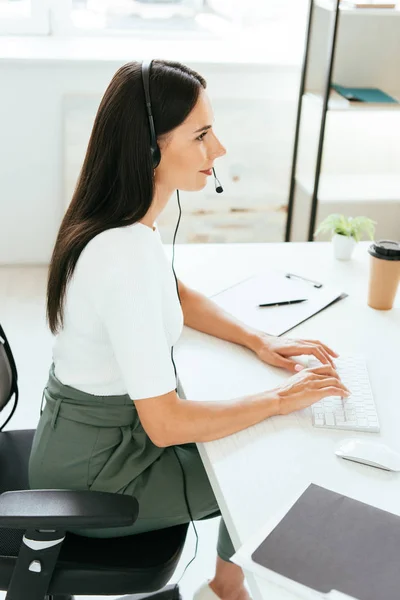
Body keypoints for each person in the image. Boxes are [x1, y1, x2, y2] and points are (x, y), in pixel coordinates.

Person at [28, 59, 350, 600]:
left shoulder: (128, 228)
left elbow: (176, 293)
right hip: (96, 479)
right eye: (201, 135)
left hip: (94, 442)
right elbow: (166, 424)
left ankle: (225, 587)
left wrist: (259, 339)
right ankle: (227, 591)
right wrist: (279, 400)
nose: (218, 150)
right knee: (271, 462)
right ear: (150, 148)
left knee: (258, 431)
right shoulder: (122, 255)